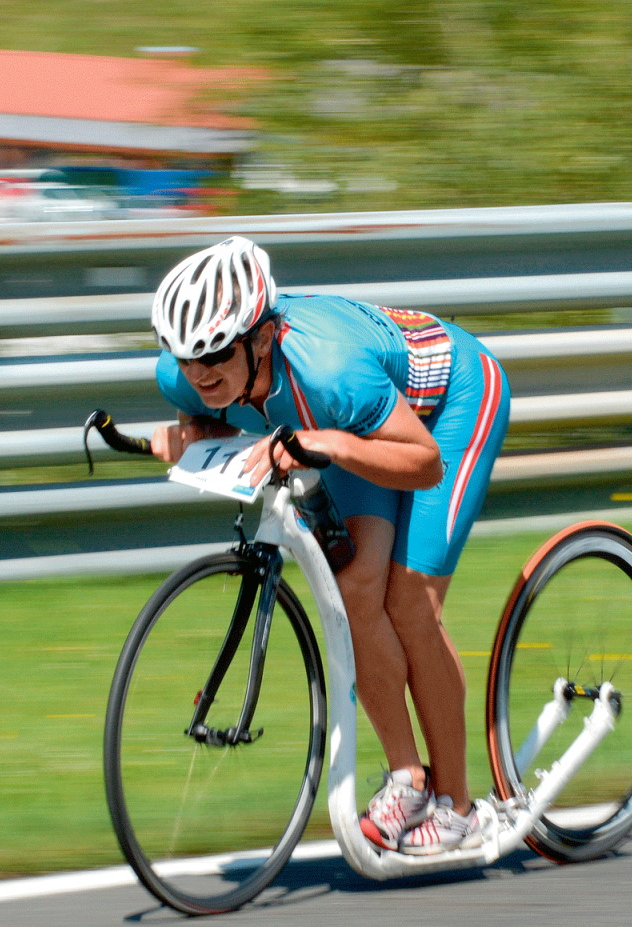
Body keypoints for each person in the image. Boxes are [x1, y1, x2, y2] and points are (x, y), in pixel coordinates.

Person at [148, 236, 510, 856]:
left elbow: (423, 464)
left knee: (411, 606)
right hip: (343, 423)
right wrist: (189, 433)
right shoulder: (189, 374)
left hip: (449, 404)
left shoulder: (328, 371)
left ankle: (458, 807)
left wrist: (336, 446)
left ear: (260, 338)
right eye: (184, 357)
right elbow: (206, 414)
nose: (198, 371)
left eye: (212, 353)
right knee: (353, 592)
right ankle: (408, 778)